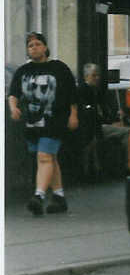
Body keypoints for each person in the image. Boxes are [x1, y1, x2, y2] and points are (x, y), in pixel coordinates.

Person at [8, 32, 78, 216]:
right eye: (30, 45)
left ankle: (38, 196)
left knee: (44, 157)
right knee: (50, 158)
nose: (34, 48)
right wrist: (13, 108)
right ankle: (59, 196)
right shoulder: (23, 71)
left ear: (45, 47)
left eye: (38, 44)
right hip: (31, 122)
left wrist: (73, 115)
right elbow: (13, 92)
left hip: (54, 120)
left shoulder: (59, 68)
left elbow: (72, 94)